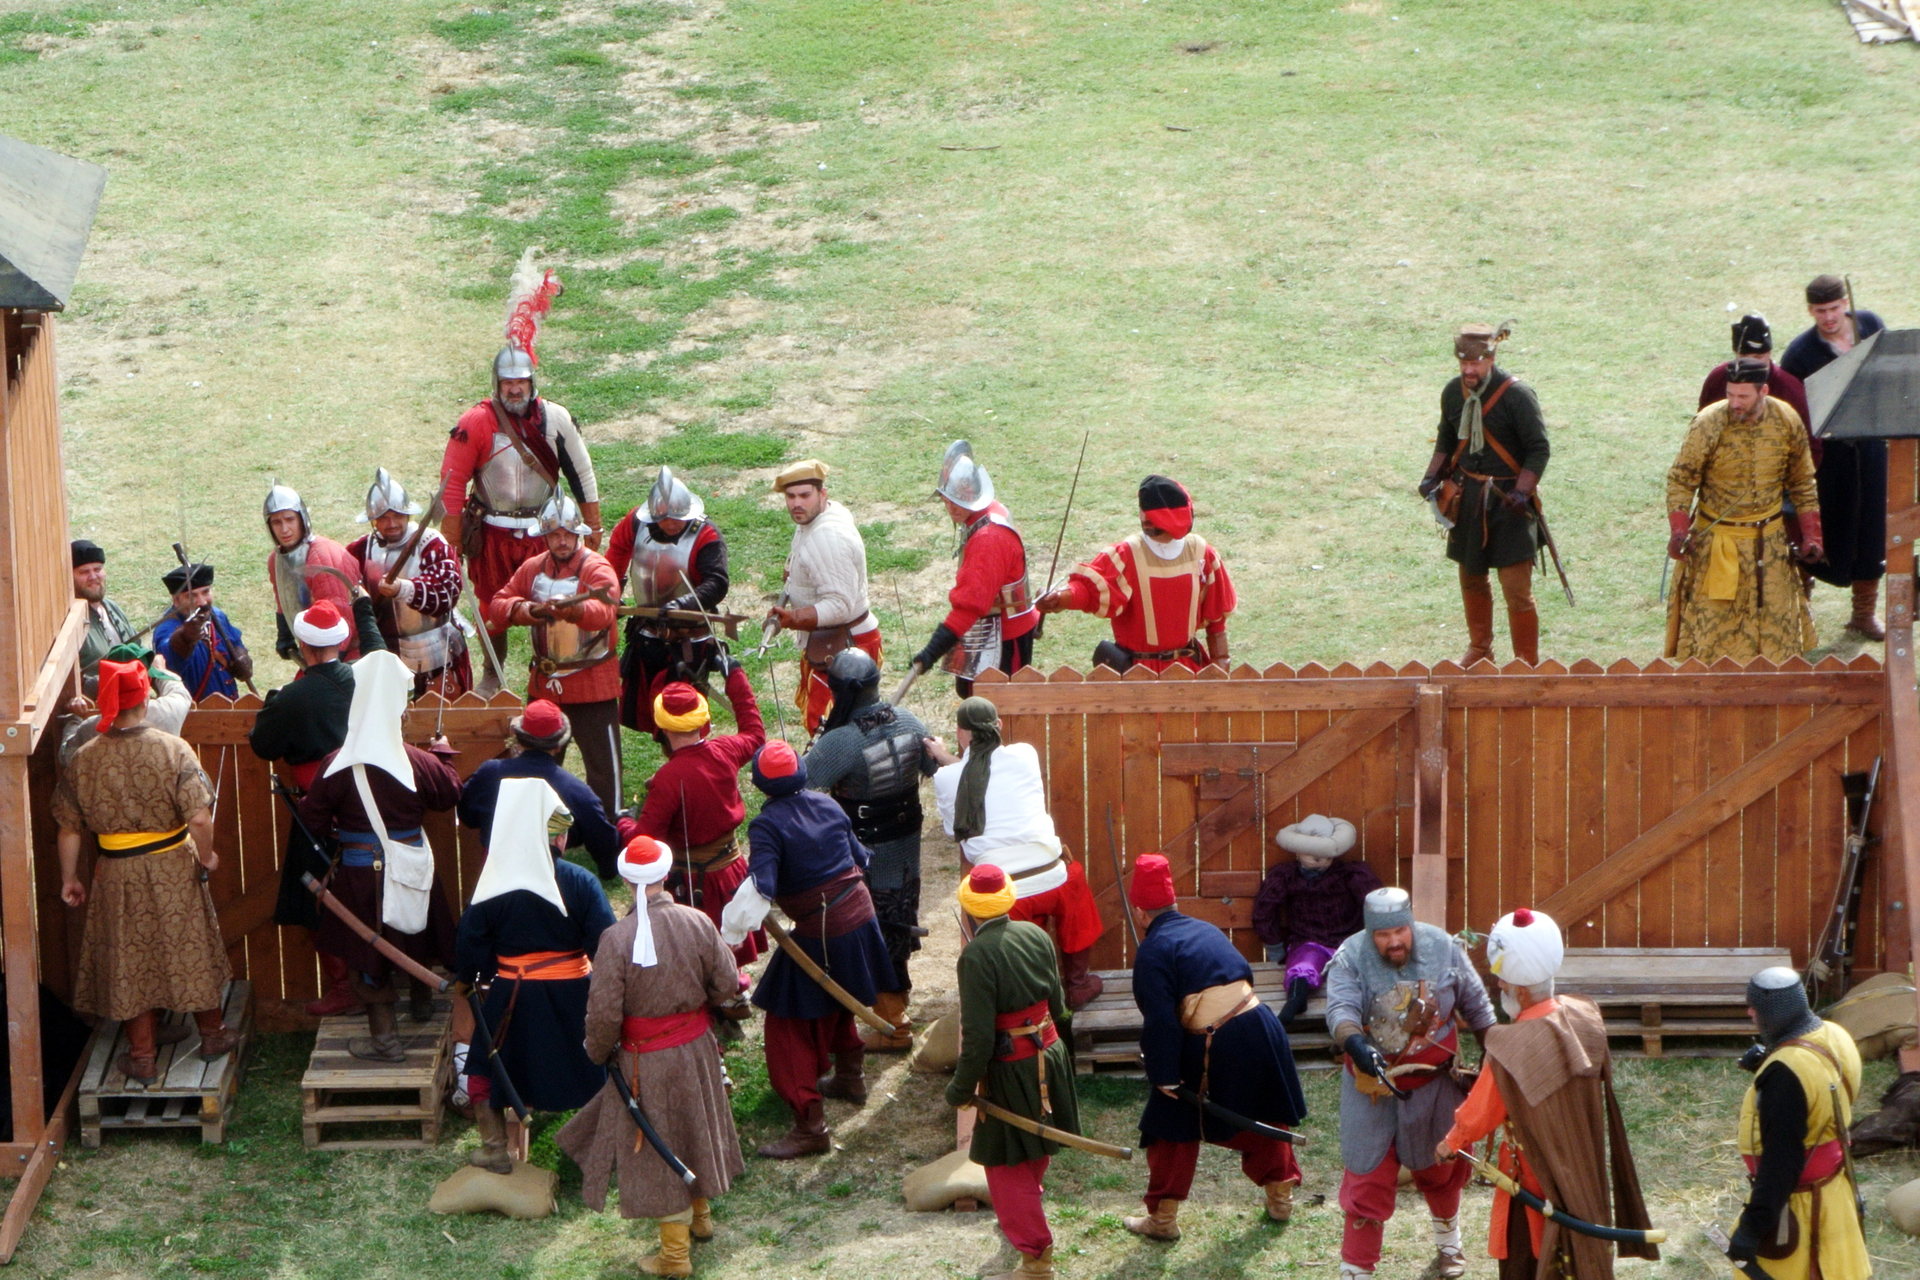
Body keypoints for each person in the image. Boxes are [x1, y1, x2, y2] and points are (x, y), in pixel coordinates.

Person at [558, 834, 747, 1278]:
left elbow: (604, 1013)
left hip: (648, 1061)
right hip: (696, 1050)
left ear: (627, 882)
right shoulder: (697, 921)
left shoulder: (615, 939)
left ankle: (675, 1257)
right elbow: (726, 984)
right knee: (691, 1131)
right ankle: (700, 1219)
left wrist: (597, 1051)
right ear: (666, 875)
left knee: (664, 1149)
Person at [1435, 908, 1657, 1279]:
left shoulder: (1511, 1047)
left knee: (1531, 1263)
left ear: (1520, 990)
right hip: (1582, 1171)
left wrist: (1449, 1144)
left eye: (1504, 981)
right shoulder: (1584, 1016)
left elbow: (1479, 1114)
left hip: (1536, 1181)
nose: (1500, 986)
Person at [52, 659, 240, 1085]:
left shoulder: (84, 757)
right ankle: (213, 1034)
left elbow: (68, 827)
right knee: (188, 945)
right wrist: (207, 857)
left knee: (129, 956)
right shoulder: (173, 749)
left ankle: (142, 1057)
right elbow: (199, 818)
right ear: (144, 700)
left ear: (106, 703)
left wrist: (70, 878)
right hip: (173, 866)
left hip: (116, 872)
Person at [718, 742, 899, 1158]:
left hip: (824, 928)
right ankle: (850, 1076)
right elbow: (860, 858)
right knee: (836, 994)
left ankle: (810, 1126)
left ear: (760, 784)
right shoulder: (827, 804)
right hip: (860, 915)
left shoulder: (767, 825)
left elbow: (762, 885)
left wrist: (736, 918)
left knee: (788, 1026)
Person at [1122, 853, 1306, 1241]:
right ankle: (1281, 1199)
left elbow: (1160, 1019)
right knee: (1266, 1113)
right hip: (1261, 1024)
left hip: (1219, 1034)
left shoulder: (1153, 950)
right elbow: (1242, 975)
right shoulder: (1204, 929)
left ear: (1139, 912)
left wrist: (1164, 1075)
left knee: (1169, 1122)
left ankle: (1162, 1220)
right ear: (1174, 903)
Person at [1326, 886, 1498, 1280]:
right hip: (1373, 1088)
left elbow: (1477, 1005)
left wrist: (1493, 1049)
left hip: (1435, 1084)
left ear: (1411, 925)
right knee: (1367, 1178)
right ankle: (1356, 1270)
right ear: (1370, 932)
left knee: (1442, 1168)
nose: (1394, 942)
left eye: (1400, 931)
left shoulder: (1443, 947)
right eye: (1383, 935)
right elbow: (1340, 1009)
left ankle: (1449, 1244)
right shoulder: (1350, 956)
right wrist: (1355, 1043)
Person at [298, 651, 463, 1061]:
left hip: (359, 877)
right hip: (410, 866)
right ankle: (419, 1007)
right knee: (414, 934)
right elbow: (448, 793)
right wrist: (442, 754)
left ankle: (386, 1039)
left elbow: (312, 819)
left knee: (369, 953)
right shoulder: (417, 762)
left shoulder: (336, 765)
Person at [455, 777, 615, 1174]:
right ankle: (603, 1149)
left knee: (485, 1070)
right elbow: (605, 945)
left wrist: (474, 975)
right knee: (593, 1068)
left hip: (512, 997)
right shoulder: (580, 881)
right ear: (556, 838)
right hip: (575, 996)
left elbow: (469, 946)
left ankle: (495, 1148)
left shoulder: (495, 885)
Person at [249, 597, 393, 1019]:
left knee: (314, 902)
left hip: (318, 812)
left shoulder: (293, 698)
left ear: (303, 647)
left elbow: (263, 744)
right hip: (373, 806)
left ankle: (345, 988)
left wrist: (275, 702)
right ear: (341, 643)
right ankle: (367, 984)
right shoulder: (366, 680)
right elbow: (379, 656)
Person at [944, 863, 1081, 1280]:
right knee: (1033, 1146)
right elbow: (1058, 1005)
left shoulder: (976, 956)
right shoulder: (1036, 935)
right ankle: (1025, 1207)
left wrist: (959, 1090)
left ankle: (1036, 1260)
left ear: (970, 909)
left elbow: (978, 1038)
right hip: (1051, 1053)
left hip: (1013, 1067)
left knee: (1005, 1167)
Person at [928, 696, 1105, 1009]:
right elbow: (985, 770)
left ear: (960, 733)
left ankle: (1033, 1002)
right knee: (1073, 878)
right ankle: (1078, 984)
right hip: (1053, 877)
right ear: (997, 725)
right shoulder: (1025, 755)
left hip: (1004, 893)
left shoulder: (946, 778)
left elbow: (956, 825)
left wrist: (942, 757)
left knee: (1013, 949)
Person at [803, 648, 934, 1050]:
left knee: (875, 931)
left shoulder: (842, 742)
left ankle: (893, 1024)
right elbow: (933, 766)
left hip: (866, 854)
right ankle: (896, 1002)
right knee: (897, 921)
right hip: (906, 848)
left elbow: (802, 782)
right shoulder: (909, 722)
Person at [441, 341, 601, 663]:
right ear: (497, 384)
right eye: (507, 383)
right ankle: (493, 670)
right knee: (491, 604)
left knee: (553, 600)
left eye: (521, 382)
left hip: (545, 532)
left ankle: (551, 665)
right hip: (492, 534)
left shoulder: (556, 419)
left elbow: (581, 474)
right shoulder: (476, 422)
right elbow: (453, 483)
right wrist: (453, 539)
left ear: (532, 382)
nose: (515, 389)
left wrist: (593, 525)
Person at [1665, 358, 1823, 663]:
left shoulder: (1786, 419)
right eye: (1730, 394)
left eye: (1743, 396)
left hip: (1770, 548)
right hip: (1718, 547)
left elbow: (1803, 482)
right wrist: (1680, 530)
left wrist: (1812, 535)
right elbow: (1681, 479)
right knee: (1713, 643)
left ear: (1763, 391)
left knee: (1777, 645)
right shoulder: (1707, 423)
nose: (1735, 403)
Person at [1416, 323, 1552, 667]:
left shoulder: (1518, 396)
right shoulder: (1453, 393)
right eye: (1463, 362)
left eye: (1475, 363)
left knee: (1516, 590)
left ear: (1491, 359)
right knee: (1472, 580)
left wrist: (1522, 492)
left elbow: (1538, 449)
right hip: (1468, 499)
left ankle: (1525, 663)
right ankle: (1480, 651)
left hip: (1509, 503)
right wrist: (1431, 476)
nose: (1468, 370)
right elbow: (1446, 439)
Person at [486, 493, 623, 823]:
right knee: (538, 764)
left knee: (603, 768)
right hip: (546, 684)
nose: (562, 541)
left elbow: (604, 610)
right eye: (555, 534)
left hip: (592, 683)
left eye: (567, 534)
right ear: (545, 536)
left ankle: (607, 826)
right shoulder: (533, 568)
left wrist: (574, 610)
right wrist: (526, 610)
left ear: (578, 534)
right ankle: (542, 822)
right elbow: (499, 604)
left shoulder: (596, 567)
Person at [1725, 967, 1868, 1280]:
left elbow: (1781, 1166)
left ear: (1773, 1013)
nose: (1750, 1013)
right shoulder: (1835, 1034)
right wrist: (1770, 1061)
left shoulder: (1786, 1075)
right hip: (1834, 1191)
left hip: (1800, 1205)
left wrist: (1751, 1229)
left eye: (1755, 1007)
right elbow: (1819, 1091)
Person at [621, 657, 766, 963]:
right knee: (728, 959)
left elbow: (643, 841)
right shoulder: (725, 751)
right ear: (702, 719)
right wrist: (736, 678)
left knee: (700, 962)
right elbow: (754, 733)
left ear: (662, 726)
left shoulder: (668, 779)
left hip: (695, 886)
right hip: (731, 872)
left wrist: (624, 824)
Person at [1780, 273, 1891, 641]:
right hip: (1828, 458)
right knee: (1819, 531)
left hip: (1871, 448)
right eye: (1819, 310)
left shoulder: (1870, 325)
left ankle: (1863, 614)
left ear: (1845, 304)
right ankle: (1800, 612)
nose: (1828, 317)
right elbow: (1793, 415)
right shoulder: (1799, 355)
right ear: (1810, 311)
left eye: (1833, 308)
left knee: (1872, 530)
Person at [1035, 475, 1236, 673]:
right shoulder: (1126, 554)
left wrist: (1221, 660)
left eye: (1153, 515)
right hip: (1136, 671)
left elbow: (1216, 615)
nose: (1144, 518)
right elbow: (1091, 591)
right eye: (1143, 511)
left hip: (1186, 670)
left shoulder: (1201, 553)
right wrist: (1061, 597)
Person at [908, 441, 1039, 698]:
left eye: (957, 501)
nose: (951, 507)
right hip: (989, 627)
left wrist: (931, 652)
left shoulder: (989, 537)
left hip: (1004, 637)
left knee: (997, 708)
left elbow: (970, 605)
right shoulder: (985, 514)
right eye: (947, 500)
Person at [606, 466, 729, 737]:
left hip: (687, 640)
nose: (672, 524)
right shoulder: (636, 523)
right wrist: (611, 593)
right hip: (646, 634)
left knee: (684, 716)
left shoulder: (705, 534)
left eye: (677, 518)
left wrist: (683, 605)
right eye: (665, 519)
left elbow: (717, 582)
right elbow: (614, 556)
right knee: (649, 712)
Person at [766, 459, 882, 734]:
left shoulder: (827, 536)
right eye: (790, 496)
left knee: (832, 731)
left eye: (805, 495)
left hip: (846, 642)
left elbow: (840, 605)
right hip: (830, 639)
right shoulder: (813, 519)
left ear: (822, 493)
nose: (797, 503)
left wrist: (793, 618)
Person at [345, 468, 471, 699]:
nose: (391, 523)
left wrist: (403, 589)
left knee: (448, 716)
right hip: (386, 654)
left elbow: (447, 591)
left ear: (407, 514)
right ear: (373, 520)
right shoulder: (360, 551)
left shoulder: (430, 543)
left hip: (436, 651)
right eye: (383, 518)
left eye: (397, 515)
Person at [458, 699, 619, 879]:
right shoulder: (578, 792)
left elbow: (467, 816)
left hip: (494, 876)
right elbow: (604, 842)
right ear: (558, 746)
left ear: (520, 739)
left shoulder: (489, 773)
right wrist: (608, 871)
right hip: (549, 879)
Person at [1252, 815, 1379, 1026]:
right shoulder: (1285, 876)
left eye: (1326, 855)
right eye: (1312, 854)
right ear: (1298, 852)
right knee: (1304, 963)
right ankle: (1295, 1000)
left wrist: (1374, 940)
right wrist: (1275, 948)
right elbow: (1264, 910)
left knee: (1354, 969)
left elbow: (1374, 904)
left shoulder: (1351, 875)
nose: (1320, 860)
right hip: (1309, 941)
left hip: (1349, 942)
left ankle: (1358, 1016)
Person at [263, 480, 365, 662]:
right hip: (314, 652)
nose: (284, 529)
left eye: (290, 519)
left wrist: (328, 666)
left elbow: (341, 617)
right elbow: (285, 598)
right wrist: (285, 633)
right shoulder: (277, 560)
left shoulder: (325, 556)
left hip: (350, 655)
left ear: (302, 519)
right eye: (276, 522)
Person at [1700, 314, 1815, 464]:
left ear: (1769, 354)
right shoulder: (1717, 380)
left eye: (1758, 357)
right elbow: (1701, 431)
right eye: (1744, 356)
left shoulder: (1790, 389)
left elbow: (1810, 446)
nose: (1751, 364)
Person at [60, 642, 194, 768]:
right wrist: (160, 671)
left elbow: (66, 755)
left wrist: (74, 717)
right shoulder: (166, 712)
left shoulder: (90, 729)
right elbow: (179, 691)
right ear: (146, 682)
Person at [151, 561, 253, 702]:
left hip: (230, 706)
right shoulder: (166, 628)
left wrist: (242, 657)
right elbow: (169, 661)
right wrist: (185, 637)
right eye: (191, 596)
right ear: (176, 600)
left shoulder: (217, 616)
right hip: (194, 712)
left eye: (206, 592)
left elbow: (235, 642)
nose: (202, 602)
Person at [72, 539, 135, 679]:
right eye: (84, 572)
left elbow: (138, 649)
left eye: (97, 569)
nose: (93, 577)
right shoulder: (69, 619)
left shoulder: (112, 607)